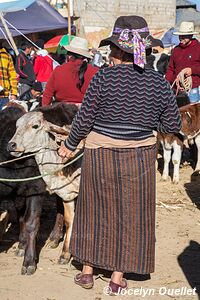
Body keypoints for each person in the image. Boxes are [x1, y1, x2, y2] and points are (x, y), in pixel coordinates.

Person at [58, 16, 181, 294]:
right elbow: (172, 126)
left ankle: (88, 273)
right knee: (131, 214)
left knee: (93, 210)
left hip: (99, 155)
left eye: (113, 50)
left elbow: (85, 118)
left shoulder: (102, 77)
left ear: (122, 51)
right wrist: (149, 123)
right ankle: (116, 278)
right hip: (138, 159)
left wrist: (69, 143)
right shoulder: (158, 83)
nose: (110, 56)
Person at [42, 37, 99, 106]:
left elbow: (47, 95)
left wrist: (46, 111)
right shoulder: (95, 71)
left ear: (69, 56)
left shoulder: (58, 70)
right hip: (87, 111)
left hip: (62, 112)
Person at [165, 21, 200, 103]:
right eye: (180, 36)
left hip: (192, 88)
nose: (181, 38)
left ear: (190, 35)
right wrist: (166, 83)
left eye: (184, 36)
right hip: (177, 89)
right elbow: (171, 68)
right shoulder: (176, 50)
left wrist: (192, 70)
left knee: (193, 113)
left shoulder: (198, 48)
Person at [0, 43, 18, 110]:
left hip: (4, 96)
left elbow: (12, 76)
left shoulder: (7, 56)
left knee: (4, 119)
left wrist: (14, 93)